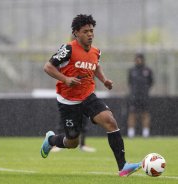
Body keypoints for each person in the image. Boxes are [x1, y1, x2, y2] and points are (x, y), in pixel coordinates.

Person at [40, 14, 141, 177]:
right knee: (72, 142)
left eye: (91, 31)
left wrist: (104, 80)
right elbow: (48, 67)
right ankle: (51, 140)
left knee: (110, 121)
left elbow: (96, 66)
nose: (90, 34)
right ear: (76, 33)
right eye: (86, 31)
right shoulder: (67, 49)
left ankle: (123, 167)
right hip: (68, 101)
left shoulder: (96, 51)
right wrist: (65, 79)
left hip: (88, 96)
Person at [127, 53, 153, 138]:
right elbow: (130, 83)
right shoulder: (132, 70)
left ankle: (146, 133)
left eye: (140, 59)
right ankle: (131, 133)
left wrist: (144, 91)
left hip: (144, 97)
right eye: (136, 59)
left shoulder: (148, 70)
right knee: (132, 114)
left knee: (145, 114)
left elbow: (150, 82)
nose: (138, 60)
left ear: (143, 60)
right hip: (134, 97)